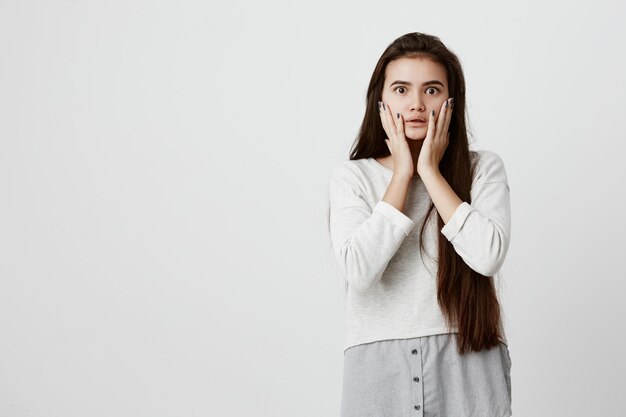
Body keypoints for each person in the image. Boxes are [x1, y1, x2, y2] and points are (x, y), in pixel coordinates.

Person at [327, 32, 513, 416]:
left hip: (467, 353)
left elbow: (488, 255)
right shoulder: (353, 178)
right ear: (380, 100)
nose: (415, 104)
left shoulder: (483, 169)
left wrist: (430, 172)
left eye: (431, 90)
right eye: (401, 89)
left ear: (450, 101)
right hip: (377, 359)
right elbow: (359, 271)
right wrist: (401, 177)